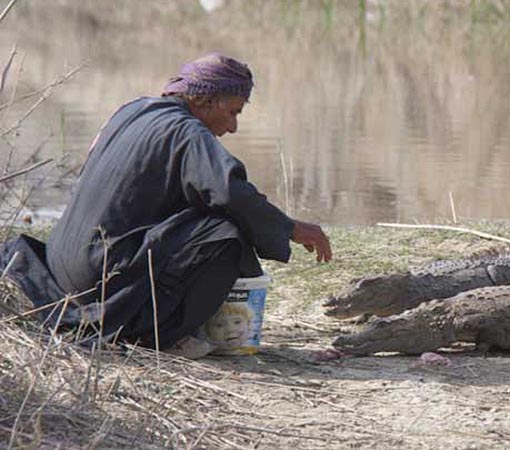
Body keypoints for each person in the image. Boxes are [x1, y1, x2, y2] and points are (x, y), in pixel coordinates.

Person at [0, 53, 331, 358]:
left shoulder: (132, 111)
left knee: (208, 218)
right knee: (226, 237)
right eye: (232, 112)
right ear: (205, 100)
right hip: (99, 276)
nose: (233, 126)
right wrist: (291, 228)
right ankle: (156, 336)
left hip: (60, 271)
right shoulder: (186, 132)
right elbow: (230, 194)